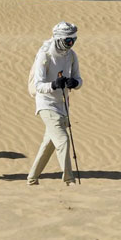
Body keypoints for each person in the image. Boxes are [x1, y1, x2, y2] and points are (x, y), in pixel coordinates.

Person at [25, 22, 83, 186]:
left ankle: (32, 177)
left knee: (49, 143)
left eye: (73, 40)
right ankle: (69, 180)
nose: (70, 44)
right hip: (46, 104)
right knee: (63, 140)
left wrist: (75, 83)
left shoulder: (71, 55)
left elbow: (80, 79)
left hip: (62, 105)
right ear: (58, 39)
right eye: (68, 41)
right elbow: (37, 85)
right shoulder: (45, 54)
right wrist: (53, 84)